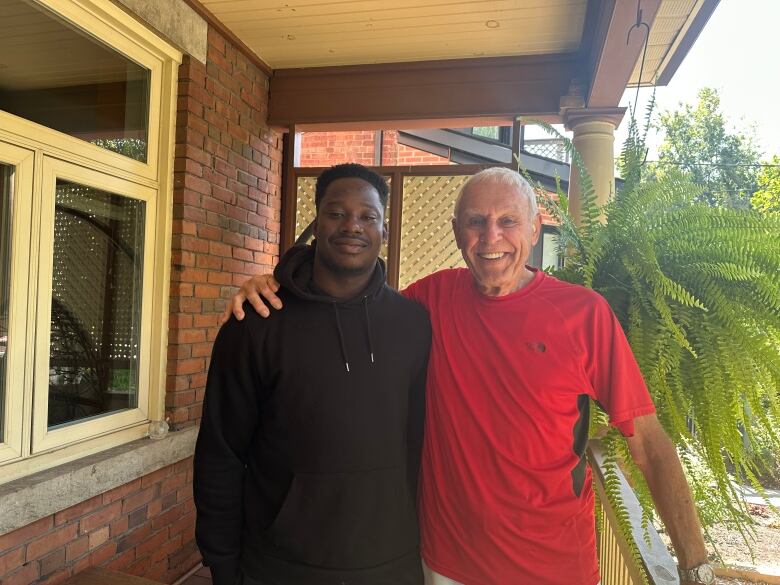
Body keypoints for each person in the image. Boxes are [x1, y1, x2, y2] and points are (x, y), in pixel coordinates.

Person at [223, 167, 713, 585]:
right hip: (443, 566)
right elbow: (347, 294)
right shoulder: (425, 304)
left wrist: (695, 567)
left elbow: (647, 441)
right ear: (457, 230)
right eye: (476, 222)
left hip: (555, 568)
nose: (491, 237)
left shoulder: (584, 315)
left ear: (537, 228)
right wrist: (278, 282)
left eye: (507, 222)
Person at [194, 163, 431, 585]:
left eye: (367, 216)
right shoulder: (257, 321)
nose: (351, 226)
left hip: (391, 563)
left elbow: (420, 442)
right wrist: (223, 561)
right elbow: (221, 452)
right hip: (278, 565)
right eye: (336, 213)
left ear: (385, 230)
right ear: (316, 224)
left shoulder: (413, 324)